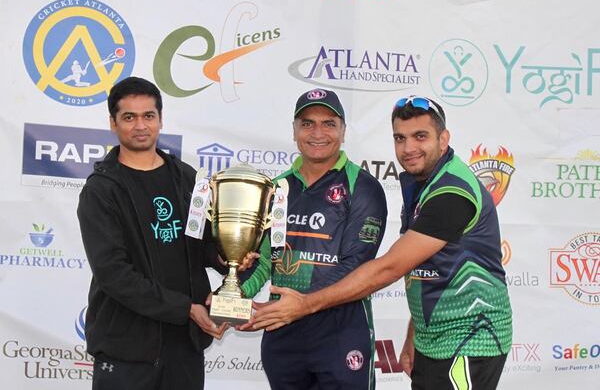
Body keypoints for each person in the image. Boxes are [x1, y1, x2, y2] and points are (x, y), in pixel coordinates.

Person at [250, 96, 513, 390]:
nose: (409, 148)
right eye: (400, 138)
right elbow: (426, 267)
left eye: (420, 136)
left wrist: (304, 304)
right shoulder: (426, 183)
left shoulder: (451, 193)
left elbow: (389, 268)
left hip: (471, 339)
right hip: (435, 339)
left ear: (444, 139)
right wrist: (415, 335)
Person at [77, 76, 233, 390]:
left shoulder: (186, 177)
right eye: (129, 117)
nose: (140, 125)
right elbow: (113, 273)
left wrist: (228, 260)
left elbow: (201, 244)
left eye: (148, 115)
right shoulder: (101, 190)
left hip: (183, 346)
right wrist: (185, 308)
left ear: (160, 120)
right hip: (126, 348)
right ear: (113, 122)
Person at [239, 88, 388, 389]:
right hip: (283, 333)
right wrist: (236, 295)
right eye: (307, 123)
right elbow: (266, 258)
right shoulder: (277, 187)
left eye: (328, 123)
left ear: (343, 131)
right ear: (294, 131)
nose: (317, 132)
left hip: (341, 332)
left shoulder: (363, 186)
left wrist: (301, 303)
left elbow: (356, 265)